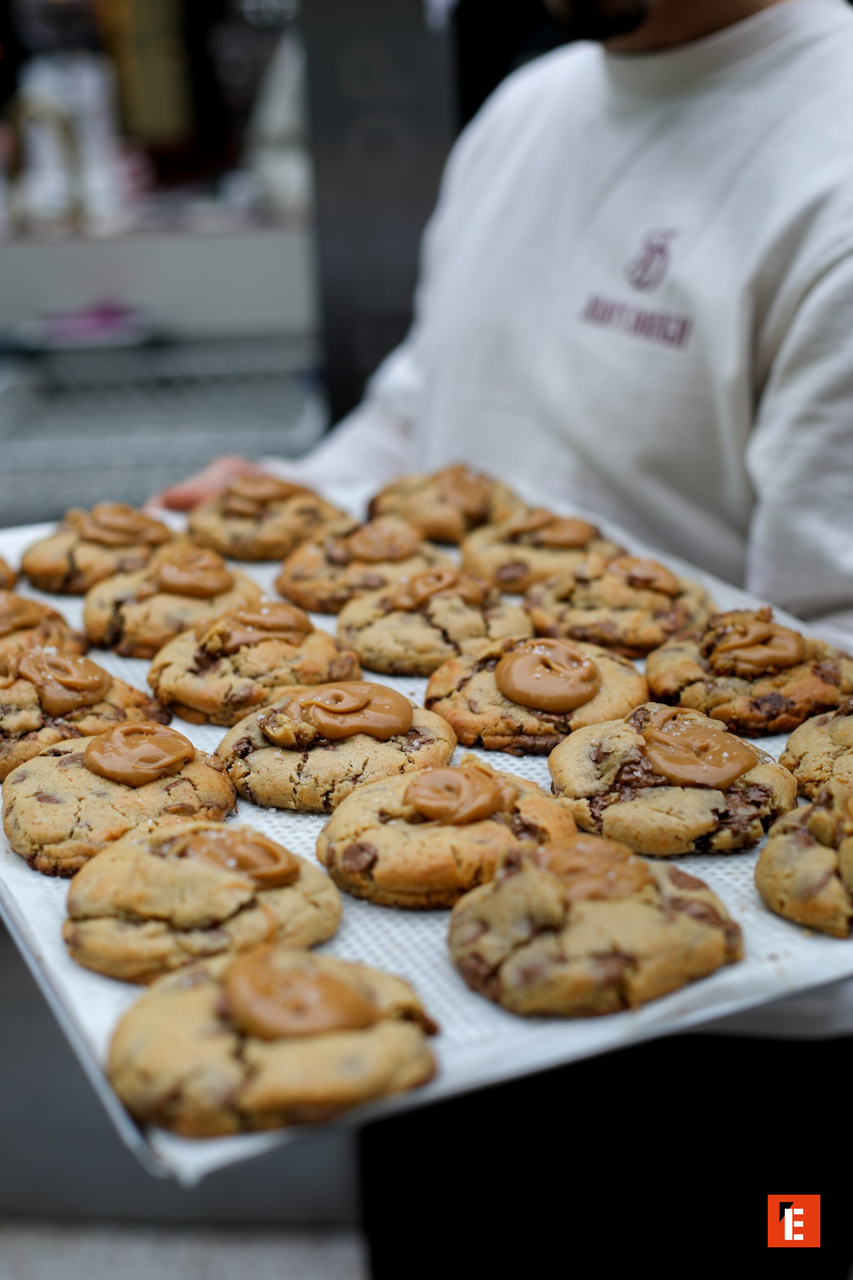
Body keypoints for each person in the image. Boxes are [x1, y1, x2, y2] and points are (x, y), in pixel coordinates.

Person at [155, 0, 853, 640]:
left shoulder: (829, 168)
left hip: (661, 754)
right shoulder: (527, 106)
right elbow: (421, 412)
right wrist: (297, 493)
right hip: (433, 720)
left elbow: (831, 635)